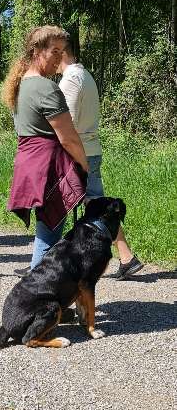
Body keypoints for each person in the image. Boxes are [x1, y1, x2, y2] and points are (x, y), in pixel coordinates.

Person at [3, 25, 88, 269]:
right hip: (50, 168)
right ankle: (37, 301)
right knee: (49, 238)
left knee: (47, 232)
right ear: (36, 51)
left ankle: (41, 297)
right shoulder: (46, 87)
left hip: (31, 164)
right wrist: (84, 166)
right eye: (54, 51)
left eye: (62, 52)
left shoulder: (21, 86)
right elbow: (68, 138)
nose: (59, 58)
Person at [58, 40, 143, 280]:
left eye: (54, 53)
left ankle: (45, 262)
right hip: (91, 147)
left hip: (78, 151)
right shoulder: (86, 75)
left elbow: (67, 121)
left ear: (61, 52)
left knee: (58, 207)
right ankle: (126, 257)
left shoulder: (70, 79)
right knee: (99, 205)